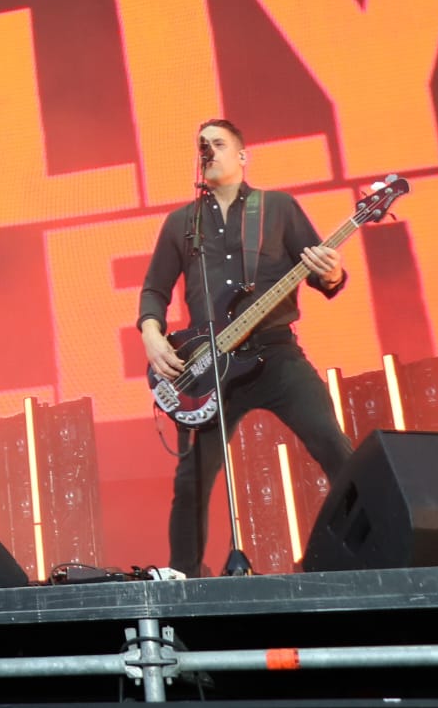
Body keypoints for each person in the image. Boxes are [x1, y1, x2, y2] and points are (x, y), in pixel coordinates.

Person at [136, 120, 352, 575]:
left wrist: (332, 273)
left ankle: (371, 552)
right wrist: (152, 334)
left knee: (334, 446)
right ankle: (182, 579)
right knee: (192, 480)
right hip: (211, 365)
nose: (209, 151)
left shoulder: (278, 208)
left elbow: (323, 276)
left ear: (242, 155)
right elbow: (155, 289)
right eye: (202, 146)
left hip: (276, 354)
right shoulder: (181, 223)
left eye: (218, 144)